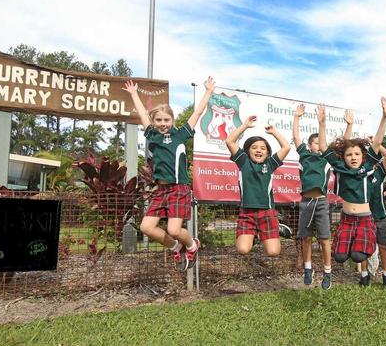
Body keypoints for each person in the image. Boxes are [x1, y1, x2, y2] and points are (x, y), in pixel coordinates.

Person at [122, 77, 216, 271]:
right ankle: (177, 247)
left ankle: (192, 245)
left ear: (172, 120)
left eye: (166, 120)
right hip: (161, 189)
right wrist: (133, 94)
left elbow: (197, 112)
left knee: (174, 229)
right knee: (146, 228)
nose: (163, 123)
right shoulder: (153, 135)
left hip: (179, 188)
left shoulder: (181, 133)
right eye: (159, 120)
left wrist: (208, 92)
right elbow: (142, 114)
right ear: (154, 121)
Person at [318, 98, 386, 286]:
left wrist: (385, 117)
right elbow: (324, 147)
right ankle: (352, 247)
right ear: (344, 158)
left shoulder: (367, 167)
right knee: (340, 257)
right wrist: (322, 123)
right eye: (349, 154)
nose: (353, 157)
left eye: (357, 154)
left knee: (358, 255)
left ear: (363, 156)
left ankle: (368, 251)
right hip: (346, 219)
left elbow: (378, 143)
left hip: (365, 218)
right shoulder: (340, 167)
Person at [225, 115, 291, 256]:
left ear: (267, 152)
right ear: (248, 151)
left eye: (262, 148)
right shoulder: (243, 162)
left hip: (267, 212)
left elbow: (286, 147)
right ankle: (254, 234)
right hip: (247, 213)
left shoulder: (270, 164)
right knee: (242, 249)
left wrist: (274, 132)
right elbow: (229, 141)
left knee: (273, 252)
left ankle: (274, 227)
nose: (258, 150)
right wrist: (245, 126)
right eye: (254, 147)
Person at [344, 111, 386, 288]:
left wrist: (375, 143)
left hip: (380, 216)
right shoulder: (358, 174)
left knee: (383, 246)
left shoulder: (379, 172)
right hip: (363, 217)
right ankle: (364, 276)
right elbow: (345, 150)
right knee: (362, 248)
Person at [293, 104, 333, 289]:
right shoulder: (304, 155)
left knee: (324, 239)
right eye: (316, 142)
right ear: (310, 145)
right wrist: (297, 117)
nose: (319, 144)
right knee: (306, 238)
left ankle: (327, 272)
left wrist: (321, 123)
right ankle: (308, 269)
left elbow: (325, 143)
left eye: (321, 142)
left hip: (322, 202)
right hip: (306, 202)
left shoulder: (326, 158)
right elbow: (295, 136)